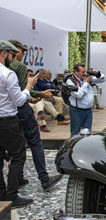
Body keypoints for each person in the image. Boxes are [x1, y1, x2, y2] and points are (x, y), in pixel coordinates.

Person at [8, 40, 63, 191]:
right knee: (35, 143)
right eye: (20, 51)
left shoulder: (5, 68)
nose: (22, 55)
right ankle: (44, 178)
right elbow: (22, 90)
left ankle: (16, 179)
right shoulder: (18, 66)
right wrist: (39, 93)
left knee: (17, 147)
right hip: (20, 108)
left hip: (8, 113)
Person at [0, 40, 36, 208]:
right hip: (7, 121)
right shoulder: (8, 74)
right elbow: (19, 100)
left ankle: (1, 193)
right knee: (18, 156)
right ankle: (12, 195)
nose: (13, 59)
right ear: (4, 53)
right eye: (12, 55)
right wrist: (28, 87)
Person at [67, 63, 105, 136]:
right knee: (75, 133)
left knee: (87, 133)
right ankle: (73, 147)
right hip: (77, 111)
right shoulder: (70, 81)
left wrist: (96, 73)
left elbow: (102, 79)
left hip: (88, 110)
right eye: (82, 72)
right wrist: (86, 83)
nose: (84, 74)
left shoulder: (87, 78)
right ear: (76, 71)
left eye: (85, 71)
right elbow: (79, 95)